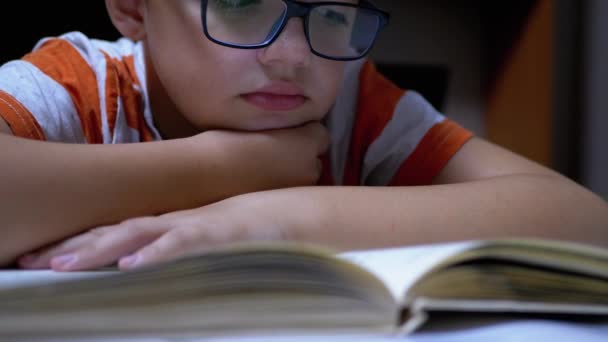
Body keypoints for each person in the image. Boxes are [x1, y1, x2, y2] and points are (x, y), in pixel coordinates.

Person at [0, 0, 606, 271]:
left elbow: (585, 222)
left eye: (334, 14)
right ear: (133, 7)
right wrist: (220, 168)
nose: (292, 55)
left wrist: (279, 218)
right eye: (239, 4)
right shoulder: (74, 85)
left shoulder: (355, 109)